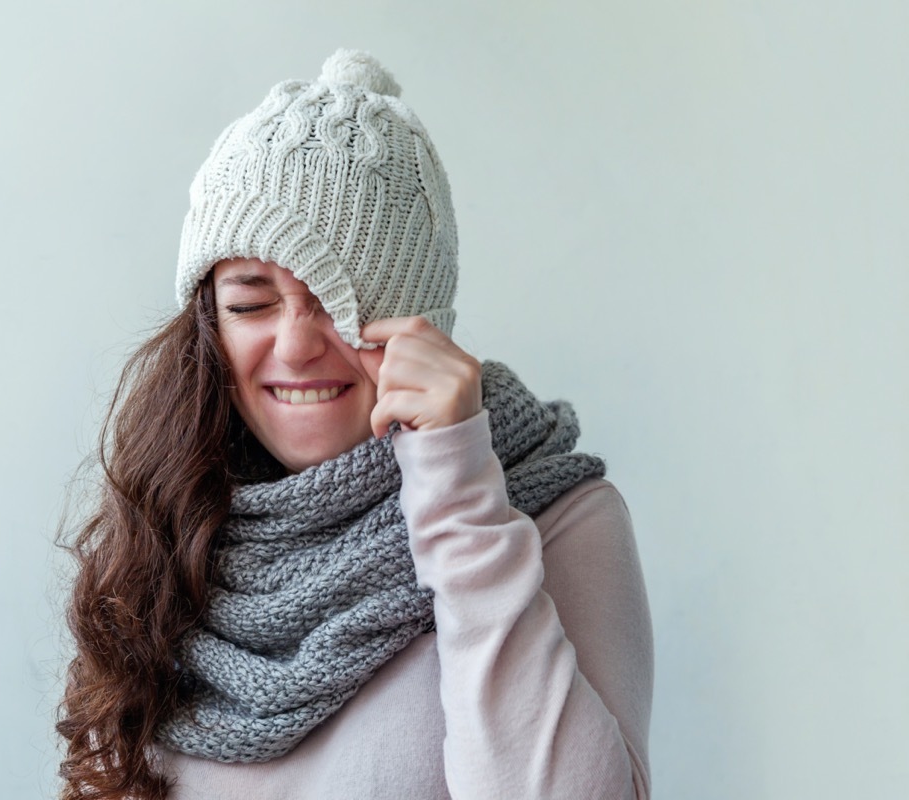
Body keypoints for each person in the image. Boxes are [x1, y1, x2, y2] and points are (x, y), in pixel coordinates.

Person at [57, 49, 653, 800]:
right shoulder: (167, 536)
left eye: (344, 300)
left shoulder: (555, 518)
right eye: (250, 302)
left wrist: (457, 489)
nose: (298, 344)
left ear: (421, 324)